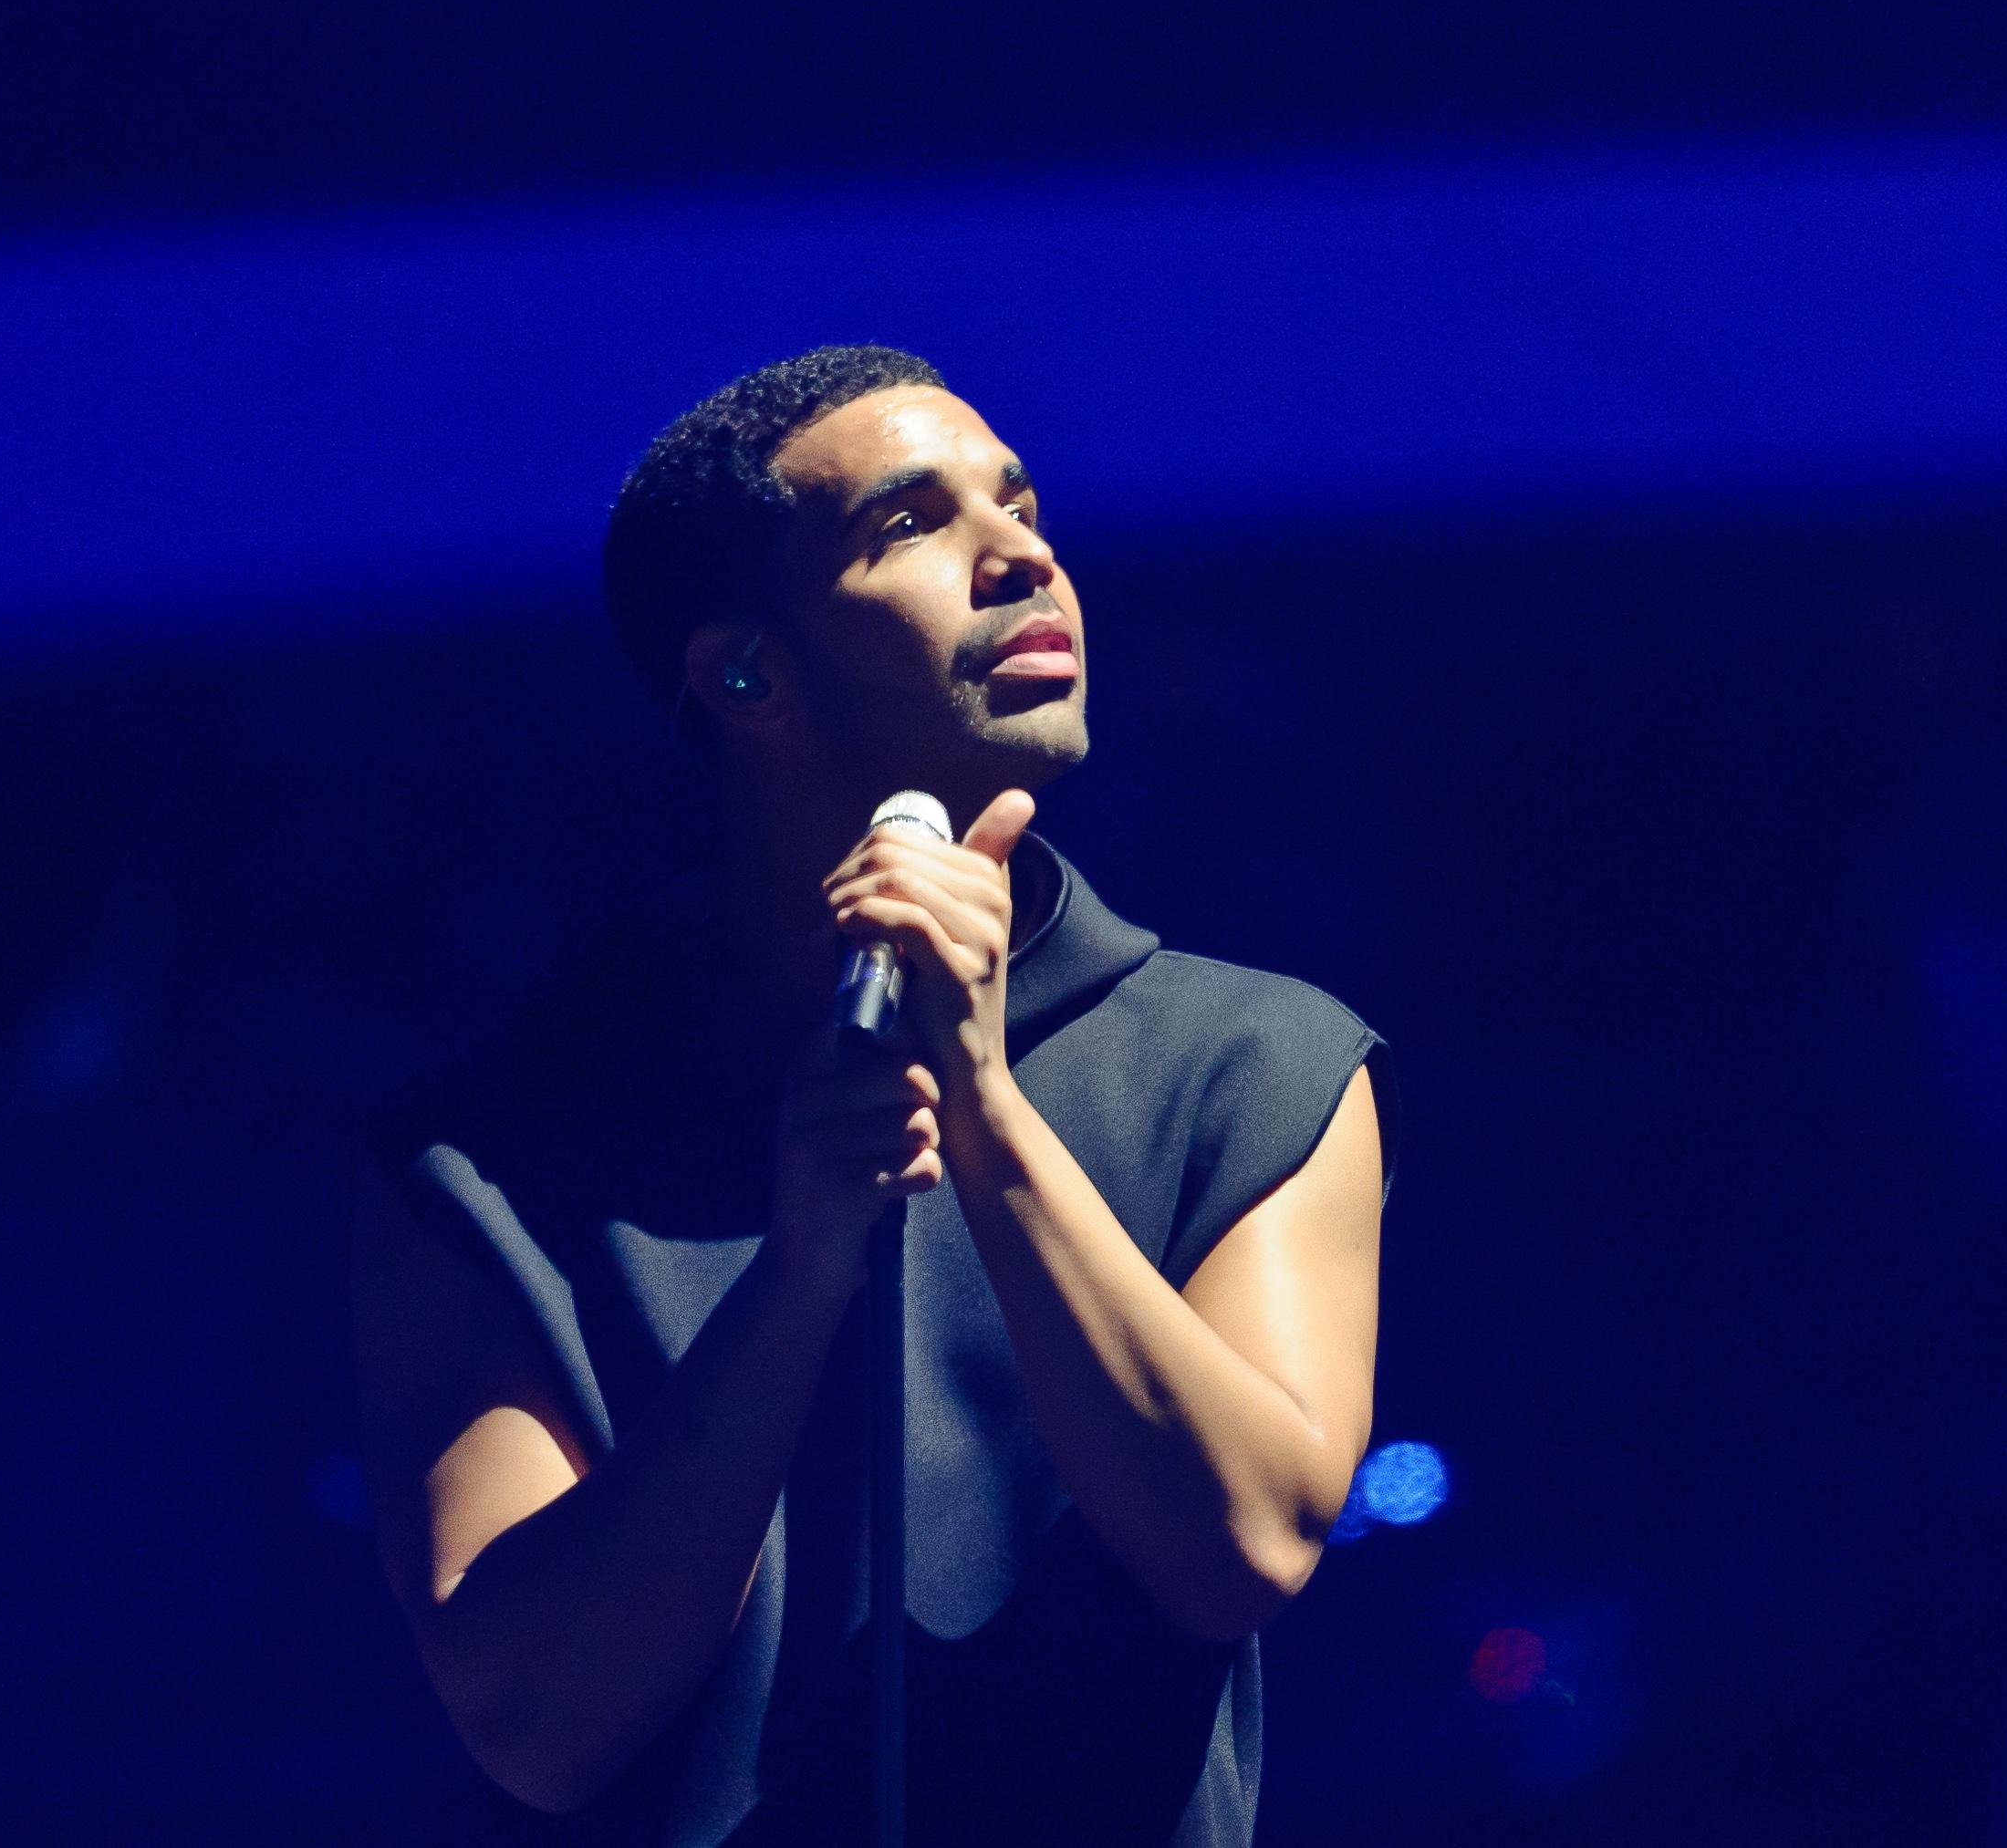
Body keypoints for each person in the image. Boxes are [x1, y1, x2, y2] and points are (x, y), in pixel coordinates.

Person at [351, 345, 1391, 1844]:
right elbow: (537, 1719)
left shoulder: (1254, 1063)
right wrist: (802, 1267)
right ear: (744, 671)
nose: (1020, 551)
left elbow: (1246, 1538)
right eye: (911, 524)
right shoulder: (491, 1160)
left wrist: (984, 1109)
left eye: (1021, 504)